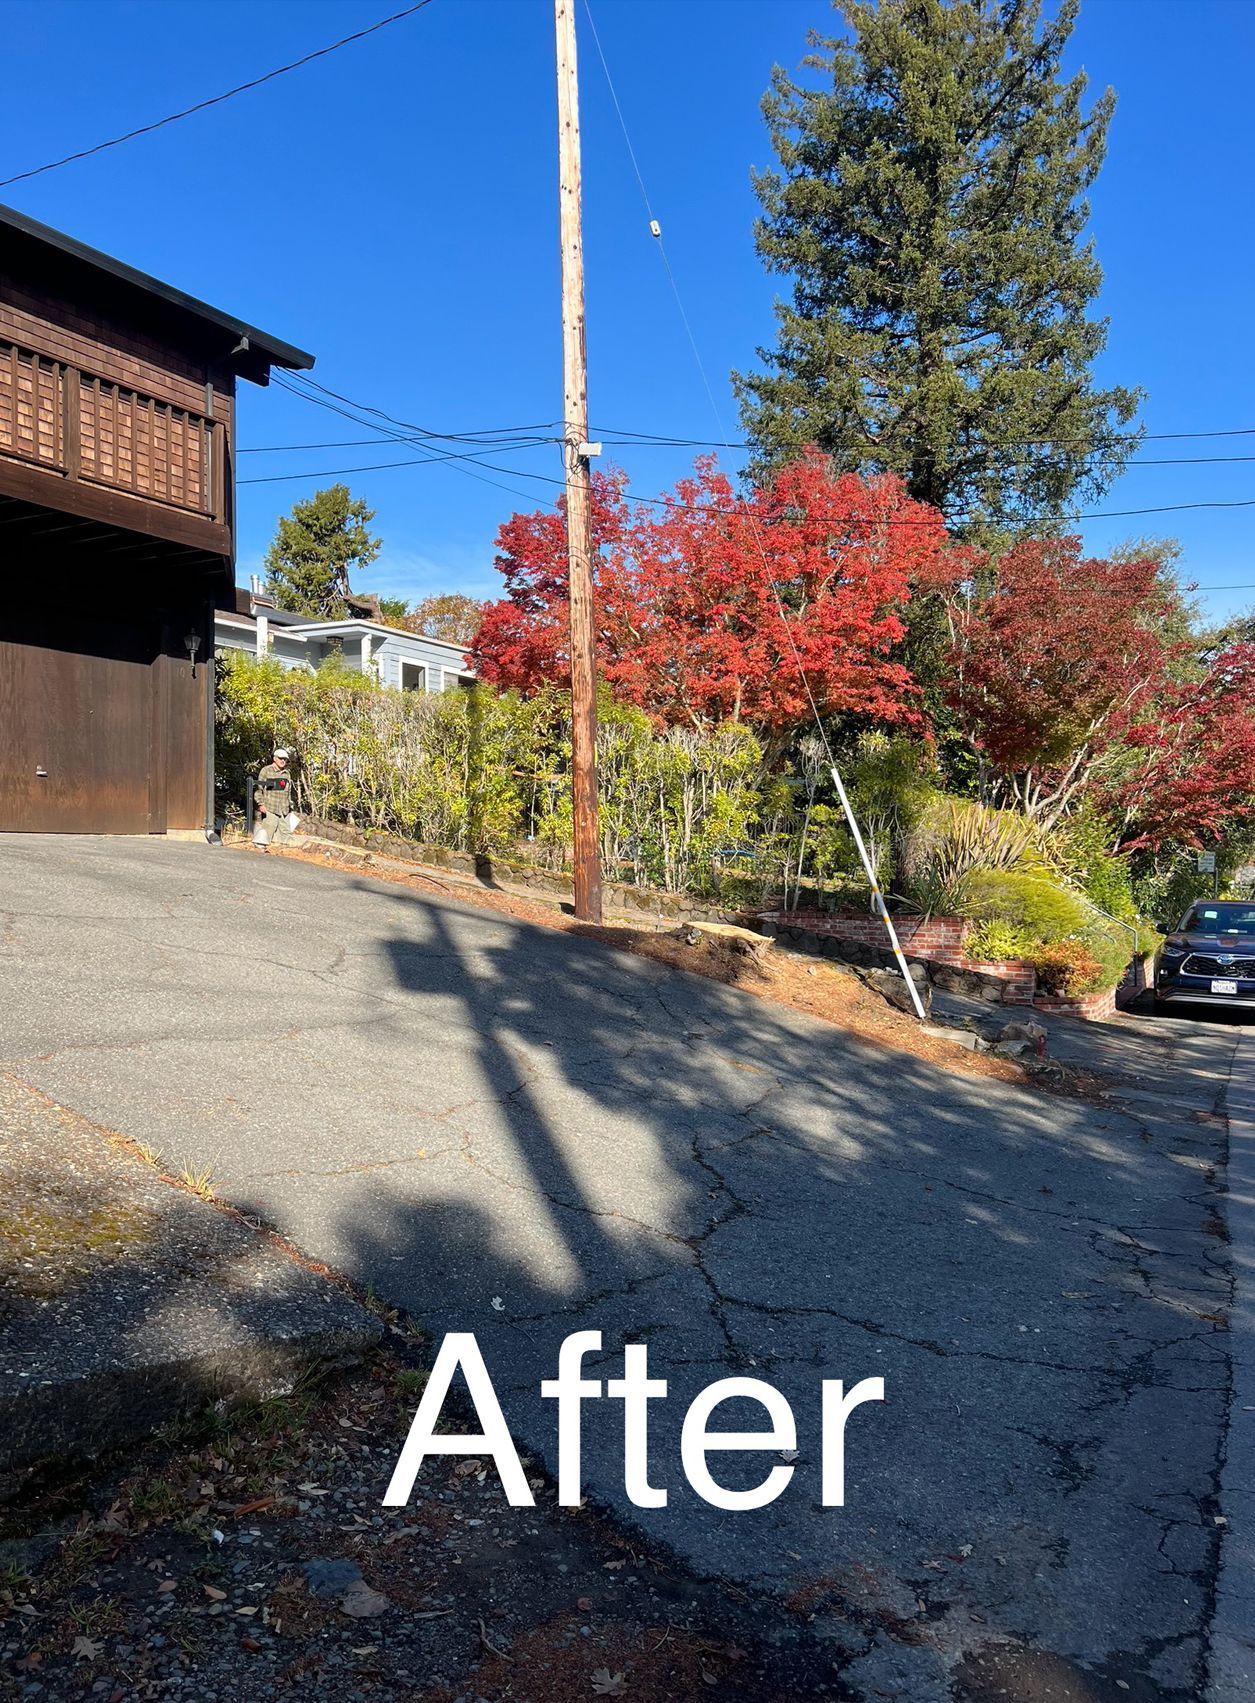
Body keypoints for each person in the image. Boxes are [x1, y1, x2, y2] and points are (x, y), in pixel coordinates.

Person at [253, 748, 298, 850]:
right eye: (281, 758)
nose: (283, 761)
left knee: (286, 838)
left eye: (285, 759)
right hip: (270, 808)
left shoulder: (287, 774)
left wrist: (290, 806)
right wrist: (261, 804)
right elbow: (259, 789)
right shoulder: (266, 770)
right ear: (275, 758)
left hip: (284, 810)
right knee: (265, 837)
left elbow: (288, 792)